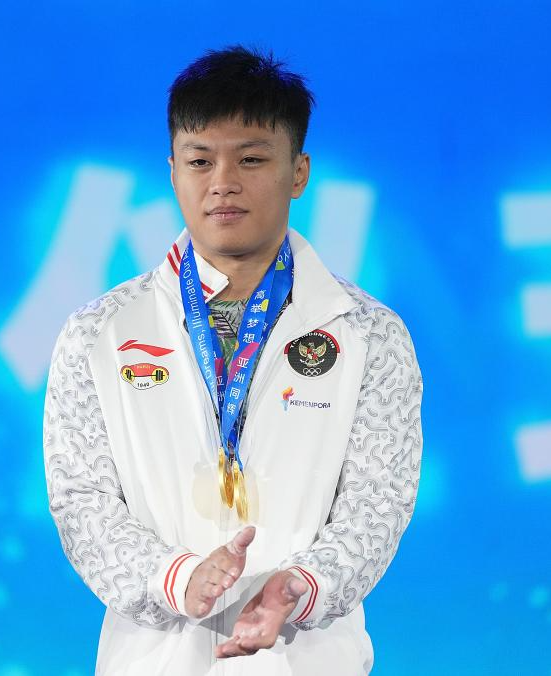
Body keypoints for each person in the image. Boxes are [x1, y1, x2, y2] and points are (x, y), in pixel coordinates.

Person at [44, 45, 423, 675]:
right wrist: (175, 579)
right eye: (200, 160)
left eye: (251, 159)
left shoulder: (370, 334)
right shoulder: (98, 333)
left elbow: (377, 502)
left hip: (306, 661)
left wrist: (300, 587)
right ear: (173, 171)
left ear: (298, 172)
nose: (223, 182)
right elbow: (82, 502)